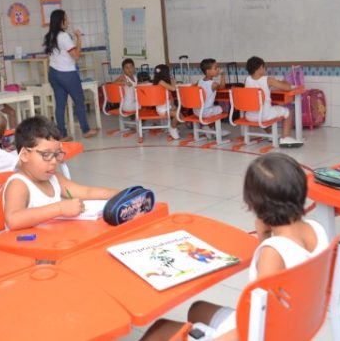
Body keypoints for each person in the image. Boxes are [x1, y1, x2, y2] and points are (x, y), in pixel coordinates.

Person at [140, 153, 328, 340]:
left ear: (254, 203)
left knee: (160, 328)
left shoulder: (272, 255)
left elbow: (263, 320)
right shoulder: (317, 230)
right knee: (197, 309)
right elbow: (284, 270)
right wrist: (264, 237)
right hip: (298, 325)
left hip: (263, 332)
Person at [2, 116, 116, 230]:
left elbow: (87, 192)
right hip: (24, 245)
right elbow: (13, 220)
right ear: (24, 155)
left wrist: (123, 194)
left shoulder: (54, 178)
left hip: (51, 242)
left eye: (56, 154)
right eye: (46, 155)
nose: (54, 161)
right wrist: (60, 209)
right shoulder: (19, 184)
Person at [43, 9, 98, 140]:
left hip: (53, 73)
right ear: (60, 22)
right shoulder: (63, 36)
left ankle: (61, 134)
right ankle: (86, 130)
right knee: (79, 100)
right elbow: (76, 56)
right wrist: (79, 38)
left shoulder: (49, 36)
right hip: (66, 73)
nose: (67, 22)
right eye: (66, 19)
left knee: (60, 104)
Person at [244, 56, 302, 147]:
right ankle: (285, 137)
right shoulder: (268, 79)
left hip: (250, 116)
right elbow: (287, 88)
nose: (265, 70)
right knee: (287, 112)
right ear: (260, 67)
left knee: (261, 114)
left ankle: (270, 134)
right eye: (264, 68)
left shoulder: (247, 80)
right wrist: (288, 83)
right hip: (264, 115)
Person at [152, 64, 180, 140]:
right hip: (162, 109)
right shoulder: (160, 82)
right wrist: (173, 80)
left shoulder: (162, 83)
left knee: (181, 116)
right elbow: (173, 89)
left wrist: (173, 105)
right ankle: (172, 128)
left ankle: (172, 126)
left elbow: (170, 96)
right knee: (178, 115)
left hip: (167, 106)